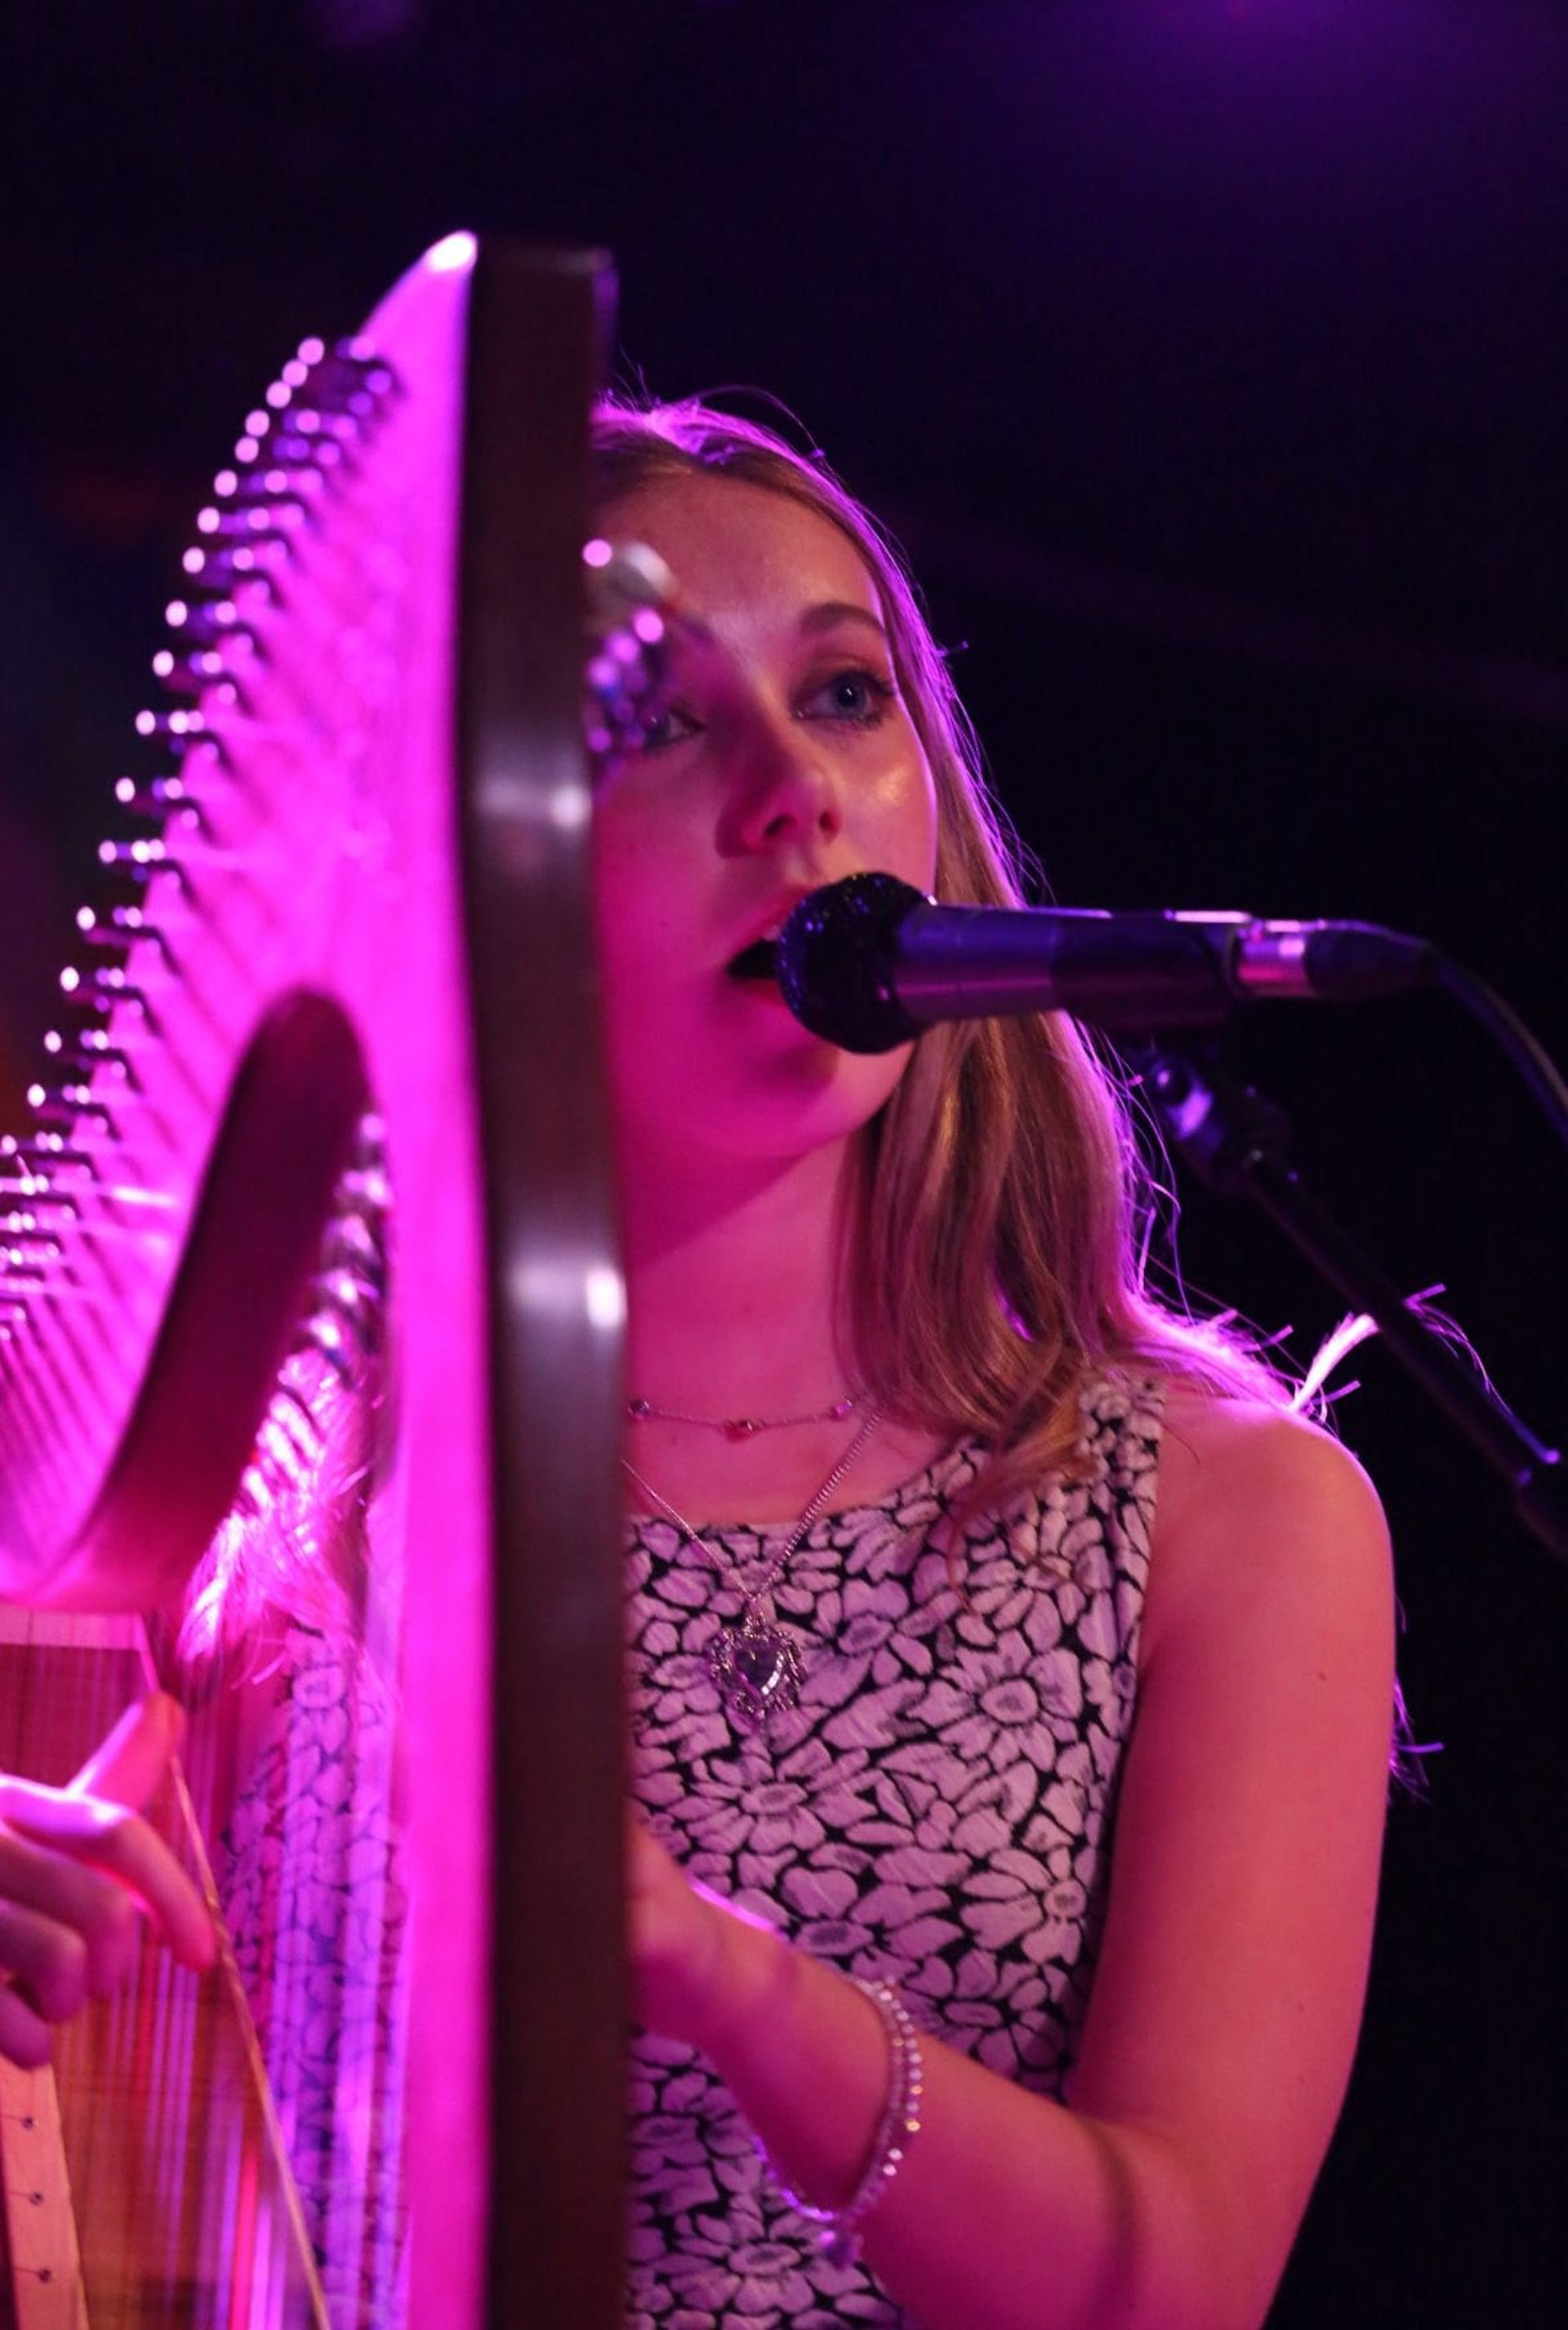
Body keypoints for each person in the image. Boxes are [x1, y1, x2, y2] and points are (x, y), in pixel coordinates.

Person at [0, 394, 1394, 2330]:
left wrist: (718, 1973)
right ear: (467, 860)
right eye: (659, 717)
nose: (793, 795)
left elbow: (1176, 2287)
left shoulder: (1232, 1516)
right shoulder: (243, 1527)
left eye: (844, 695)